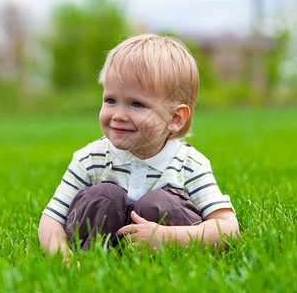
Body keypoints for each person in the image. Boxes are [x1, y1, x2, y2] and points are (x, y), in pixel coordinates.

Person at [38, 33, 239, 264]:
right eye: (110, 100)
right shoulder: (89, 158)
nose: (119, 115)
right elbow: (52, 218)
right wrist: (61, 256)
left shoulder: (190, 164)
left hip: (164, 264)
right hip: (89, 262)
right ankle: (92, 261)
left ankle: (161, 266)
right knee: (104, 197)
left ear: (175, 117)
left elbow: (228, 230)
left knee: (160, 205)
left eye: (136, 104)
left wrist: (169, 237)